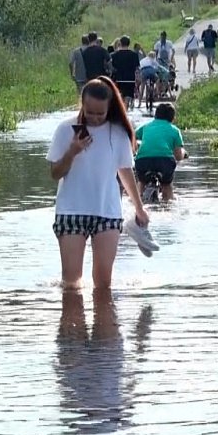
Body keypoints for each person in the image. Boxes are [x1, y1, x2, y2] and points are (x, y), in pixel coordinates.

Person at [46, 76, 151, 290]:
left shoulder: (118, 132)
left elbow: (125, 172)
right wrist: (72, 151)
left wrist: (139, 208)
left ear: (109, 107)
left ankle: (105, 313)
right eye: (89, 112)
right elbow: (56, 174)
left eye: (100, 113)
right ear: (82, 104)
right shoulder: (65, 129)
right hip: (71, 212)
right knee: (71, 283)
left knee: (103, 284)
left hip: (108, 212)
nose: (94, 118)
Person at [134, 103, 187, 202]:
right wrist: (184, 153)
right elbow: (178, 156)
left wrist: (136, 148)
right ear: (173, 118)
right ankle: (168, 202)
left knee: (141, 182)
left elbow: (131, 136)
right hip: (164, 162)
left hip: (143, 161)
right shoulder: (175, 131)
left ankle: (137, 199)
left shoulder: (146, 126)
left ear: (155, 115)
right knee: (167, 186)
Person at [111, 35, 141, 109]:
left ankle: (121, 110)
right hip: (130, 79)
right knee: (128, 96)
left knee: (119, 96)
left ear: (120, 43)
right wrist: (138, 78)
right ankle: (125, 109)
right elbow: (137, 68)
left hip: (119, 79)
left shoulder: (114, 55)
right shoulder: (134, 55)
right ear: (129, 43)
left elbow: (112, 68)